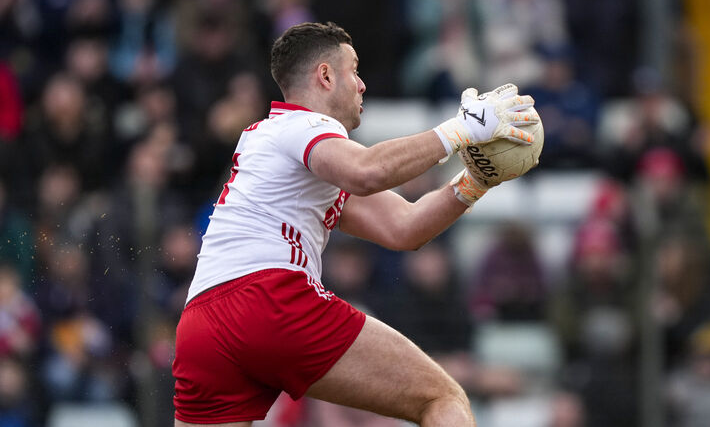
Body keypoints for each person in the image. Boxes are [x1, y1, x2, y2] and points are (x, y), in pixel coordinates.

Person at [172, 21, 541, 426]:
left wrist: (475, 182)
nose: (362, 85)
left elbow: (405, 226)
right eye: (355, 70)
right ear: (326, 76)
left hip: (202, 323)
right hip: (269, 300)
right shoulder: (306, 125)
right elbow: (368, 171)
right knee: (441, 397)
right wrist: (462, 130)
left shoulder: (276, 144)